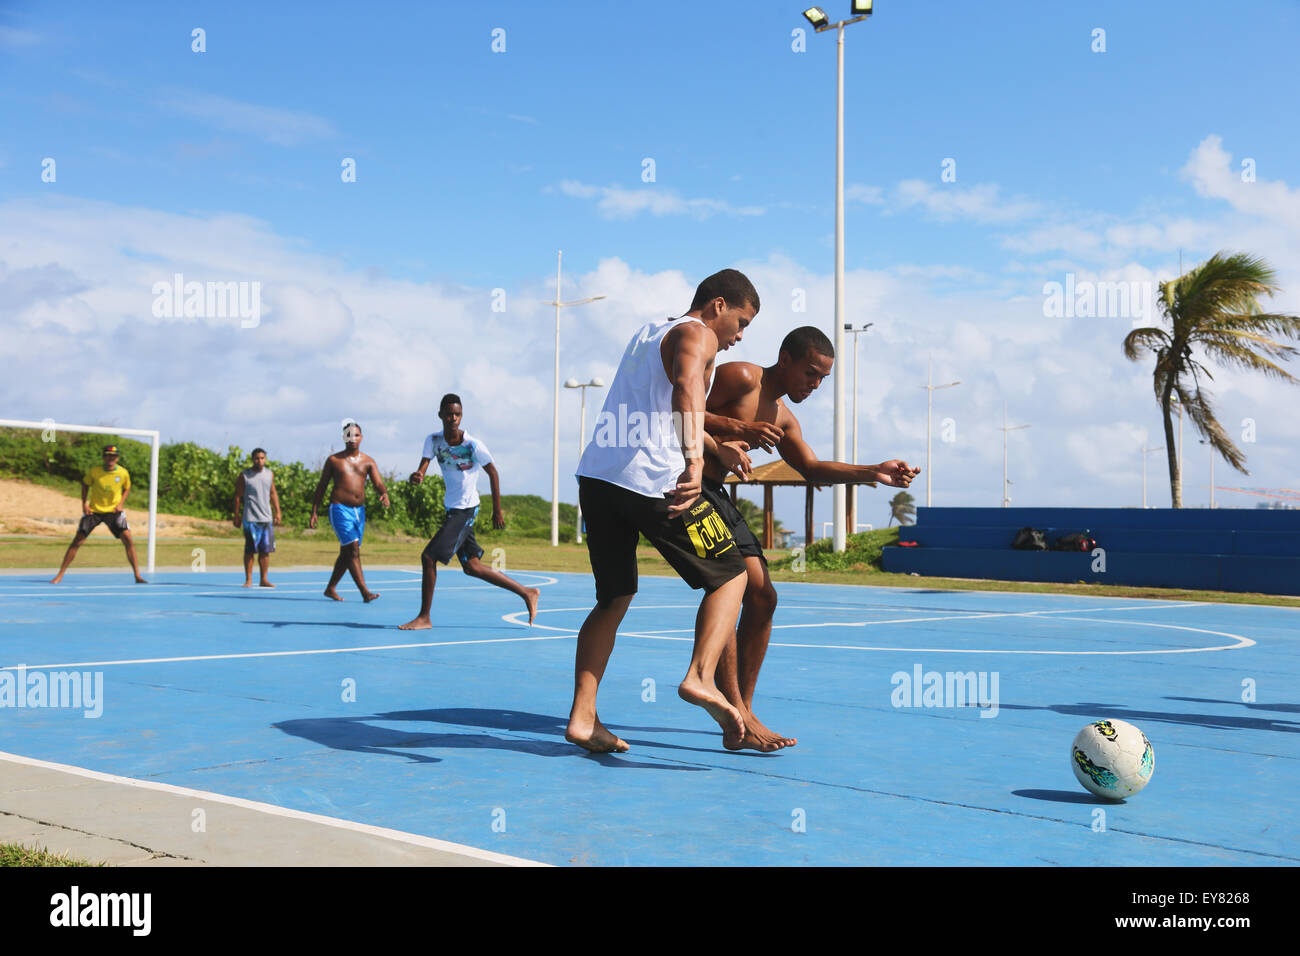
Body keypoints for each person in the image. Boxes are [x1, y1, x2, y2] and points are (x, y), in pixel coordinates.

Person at [565, 268, 759, 754]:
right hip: (652, 483)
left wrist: (715, 445)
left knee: (613, 597)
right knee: (732, 574)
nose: (738, 336)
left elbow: (656, 407)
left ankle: (584, 718)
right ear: (717, 305)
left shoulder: (647, 331)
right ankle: (699, 678)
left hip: (599, 478)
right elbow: (687, 388)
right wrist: (695, 460)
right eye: (741, 322)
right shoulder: (698, 334)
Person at [702, 325, 921, 751]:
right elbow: (681, 414)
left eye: (822, 378)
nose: (815, 385)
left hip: (720, 496)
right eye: (810, 373)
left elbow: (812, 467)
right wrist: (727, 436)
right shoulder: (742, 377)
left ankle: (744, 708)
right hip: (689, 488)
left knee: (764, 597)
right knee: (731, 584)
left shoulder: (783, 417)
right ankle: (735, 715)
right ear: (785, 359)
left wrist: (872, 471)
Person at [398, 394, 540, 630]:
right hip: (452, 508)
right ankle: (527, 592)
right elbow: (423, 465)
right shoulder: (433, 440)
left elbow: (493, 472)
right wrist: (418, 476)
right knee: (472, 566)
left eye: (457, 414)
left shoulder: (472, 445)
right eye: (449, 413)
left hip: (466, 509)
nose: (453, 418)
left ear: (461, 416)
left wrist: (498, 511)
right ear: (441, 415)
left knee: (428, 557)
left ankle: (424, 617)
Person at [309, 420, 389, 602]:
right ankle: (365, 592)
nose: (352, 438)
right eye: (349, 435)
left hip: (359, 512)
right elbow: (321, 486)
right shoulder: (334, 460)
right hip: (339, 508)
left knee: (347, 552)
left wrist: (384, 493)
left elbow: (378, 483)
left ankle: (330, 588)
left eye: (356, 435)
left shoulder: (368, 461)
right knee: (352, 550)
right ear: (343, 437)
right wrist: (314, 511)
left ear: (361, 438)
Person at [50, 444, 146, 584]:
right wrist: (84, 504)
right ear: (103, 457)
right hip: (94, 511)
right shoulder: (94, 471)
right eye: (108, 455)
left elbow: (127, 487)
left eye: (113, 456)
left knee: (128, 539)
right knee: (77, 541)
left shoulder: (123, 473)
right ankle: (59, 575)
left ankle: (137, 576)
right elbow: (85, 484)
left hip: (114, 512)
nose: (110, 458)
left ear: (117, 458)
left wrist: (120, 504)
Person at [233, 448, 282, 588]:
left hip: (266, 518)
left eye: (262, 458)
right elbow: (237, 497)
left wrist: (277, 512)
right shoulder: (245, 476)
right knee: (250, 550)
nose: (259, 461)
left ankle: (264, 579)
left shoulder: (269, 474)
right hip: (250, 518)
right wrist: (236, 516)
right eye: (256, 458)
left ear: (265, 459)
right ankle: (248, 579)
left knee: (265, 551)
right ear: (252, 459)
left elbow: (273, 493)